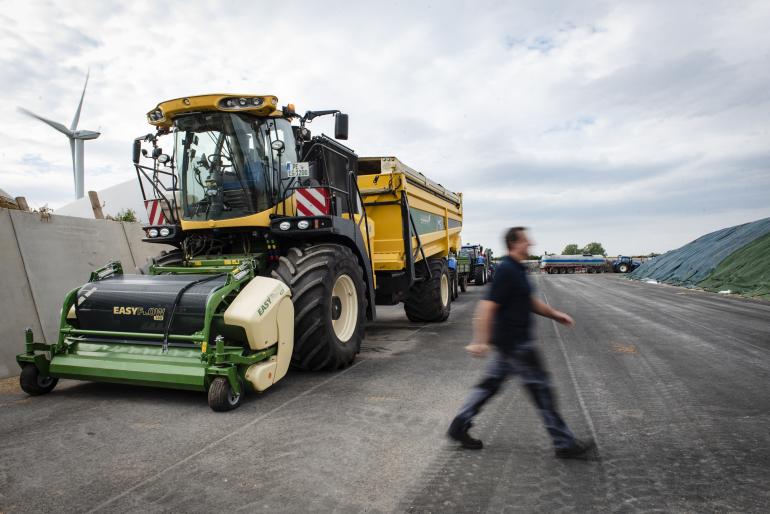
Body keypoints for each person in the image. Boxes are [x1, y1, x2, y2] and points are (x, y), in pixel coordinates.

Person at [447, 227, 595, 459]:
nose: (531, 244)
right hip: (516, 343)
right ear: (514, 243)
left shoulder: (517, 269)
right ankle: (564, 442)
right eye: (526, 241)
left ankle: (459, 425)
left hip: (511, 343)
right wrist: (480, 341)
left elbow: (529, 301)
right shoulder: (506, 269)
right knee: (541, 390)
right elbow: (487, 306)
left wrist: (555, 314)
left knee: (489, 387)